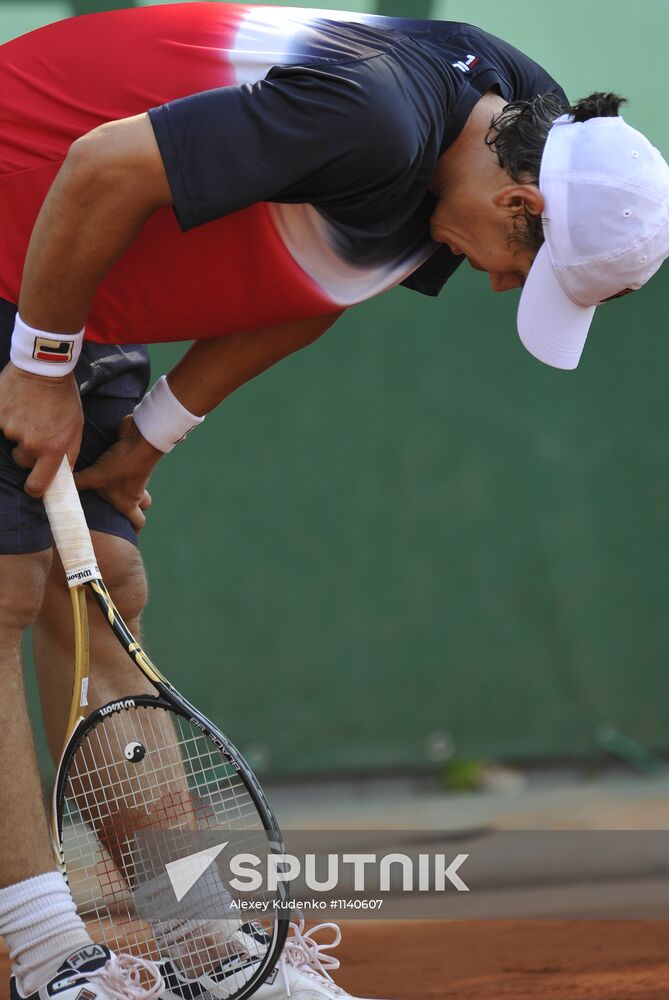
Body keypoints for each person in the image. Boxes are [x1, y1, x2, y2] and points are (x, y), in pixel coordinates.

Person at [0, 5, 667, 1000]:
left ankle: (204, 949)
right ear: (523, 198)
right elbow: (101, 162)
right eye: (523, 266)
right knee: (7, 582)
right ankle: (52, 955)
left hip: (82, 271)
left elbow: (323, 282)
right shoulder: (380, 114)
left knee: (103, 584)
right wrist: (42, 363)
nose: (500, 286)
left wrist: (149, 437)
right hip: (36, 221)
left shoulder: (518, 122)